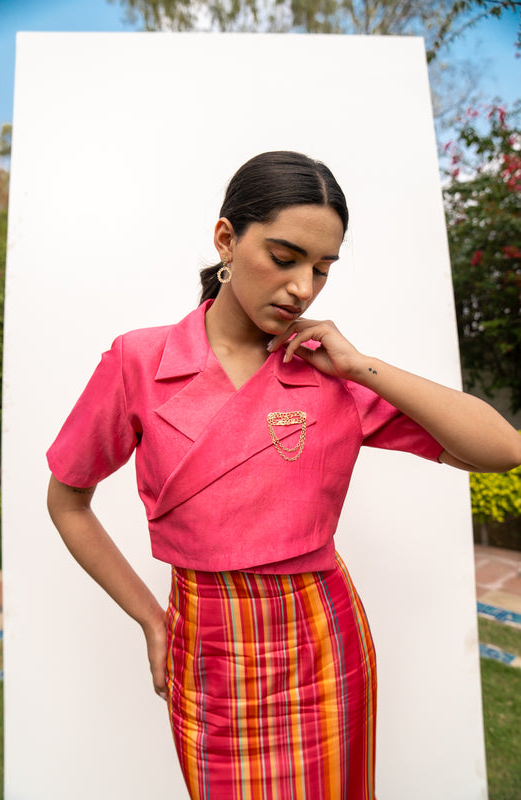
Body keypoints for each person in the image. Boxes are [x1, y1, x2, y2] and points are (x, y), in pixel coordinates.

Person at [47, 151, 521, 800]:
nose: (303, 287)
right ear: (225, 240)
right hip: (207, 649)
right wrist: (151, 621)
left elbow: (501, 447)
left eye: (322, 270)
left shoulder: (328, 372)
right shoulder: (140, 360)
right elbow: (68, 501)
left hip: (323, 646)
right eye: (284, 256)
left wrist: (358, 367)